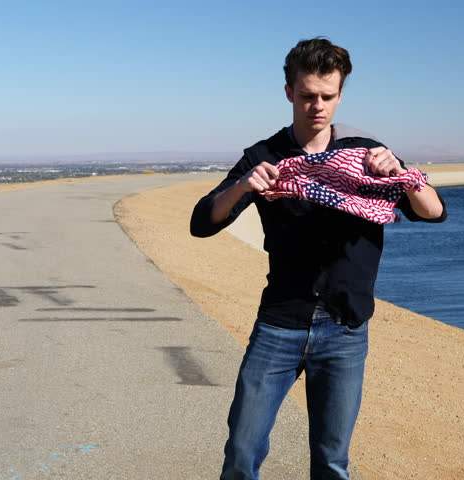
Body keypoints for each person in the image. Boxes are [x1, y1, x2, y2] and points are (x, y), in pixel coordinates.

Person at [189, 37, 447, 480]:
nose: (317, 106)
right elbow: (203, 222)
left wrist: (404, 178)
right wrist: (244, 185)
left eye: (328, 96)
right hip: (279, 324)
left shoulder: (365, 154)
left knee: (331, 461)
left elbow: (433, 212)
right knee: (242, 452)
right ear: (289, 92)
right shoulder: (264, 156)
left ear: (341, 94)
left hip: (345, 327)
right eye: (307, 96)